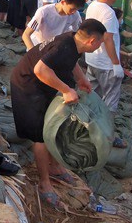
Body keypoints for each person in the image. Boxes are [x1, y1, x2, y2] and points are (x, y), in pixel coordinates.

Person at [10, 20, 106, 208]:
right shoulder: (64, 46)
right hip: (28, 85)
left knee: (53, 125)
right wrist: (65, 90)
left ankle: (55, 167)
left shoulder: (72, 41)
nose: (100, 46)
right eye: (101, 43)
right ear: (92, 41)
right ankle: (44, 183)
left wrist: (81, 79)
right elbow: (40, 69)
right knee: (41, 136)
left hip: (41, 85)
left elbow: (71, 62)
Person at [84, 0, 125, 112]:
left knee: (90, 96)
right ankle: (106, 130)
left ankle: (88, 125)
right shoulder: (109, 13)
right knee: (110, 101)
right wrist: (116, 64)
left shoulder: (93, 6)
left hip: (91, 59)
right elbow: (108, 39)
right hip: (106, 64)